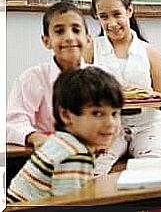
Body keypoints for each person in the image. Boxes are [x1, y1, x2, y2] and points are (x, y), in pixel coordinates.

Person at [88, 0, 161, 175]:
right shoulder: (91, 48)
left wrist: (145, 95)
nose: (111, 23)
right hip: (108, 127)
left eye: (117, 14)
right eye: (104, 16)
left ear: (129, 10)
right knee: (87, 172)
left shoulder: (150, 52)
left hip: (148, 126)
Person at [7, 66, 123, 203]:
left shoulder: (61, 141)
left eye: (114, 113)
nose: (110, 123)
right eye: (97, 113)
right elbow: (69, 206)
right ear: (66, 115)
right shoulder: (74, 155)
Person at [6, 1, 91, 148]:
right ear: (46, 41)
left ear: (88, 39)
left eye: (76, 30)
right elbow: (13, 123)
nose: (69, 37)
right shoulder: (32, 79)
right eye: (59, 31)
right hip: (46, 156)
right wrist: (34, 137)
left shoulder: (99, 78)